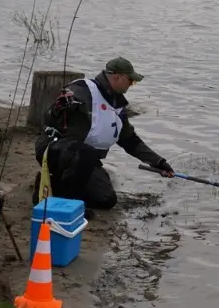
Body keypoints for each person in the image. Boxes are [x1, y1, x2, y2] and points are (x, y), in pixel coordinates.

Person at [33, 57, 175, 210]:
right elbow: (49, 116)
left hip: (84, 161)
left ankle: (53, 186)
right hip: (53, 149)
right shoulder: (82, 89)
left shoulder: (118, 107)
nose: (131, 85)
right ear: (118, 77)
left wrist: (158, 162)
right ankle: (69, 205)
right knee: (86, 153)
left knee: (106, 200)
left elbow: (130, 141)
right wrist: (59, 108)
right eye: (131, 81)